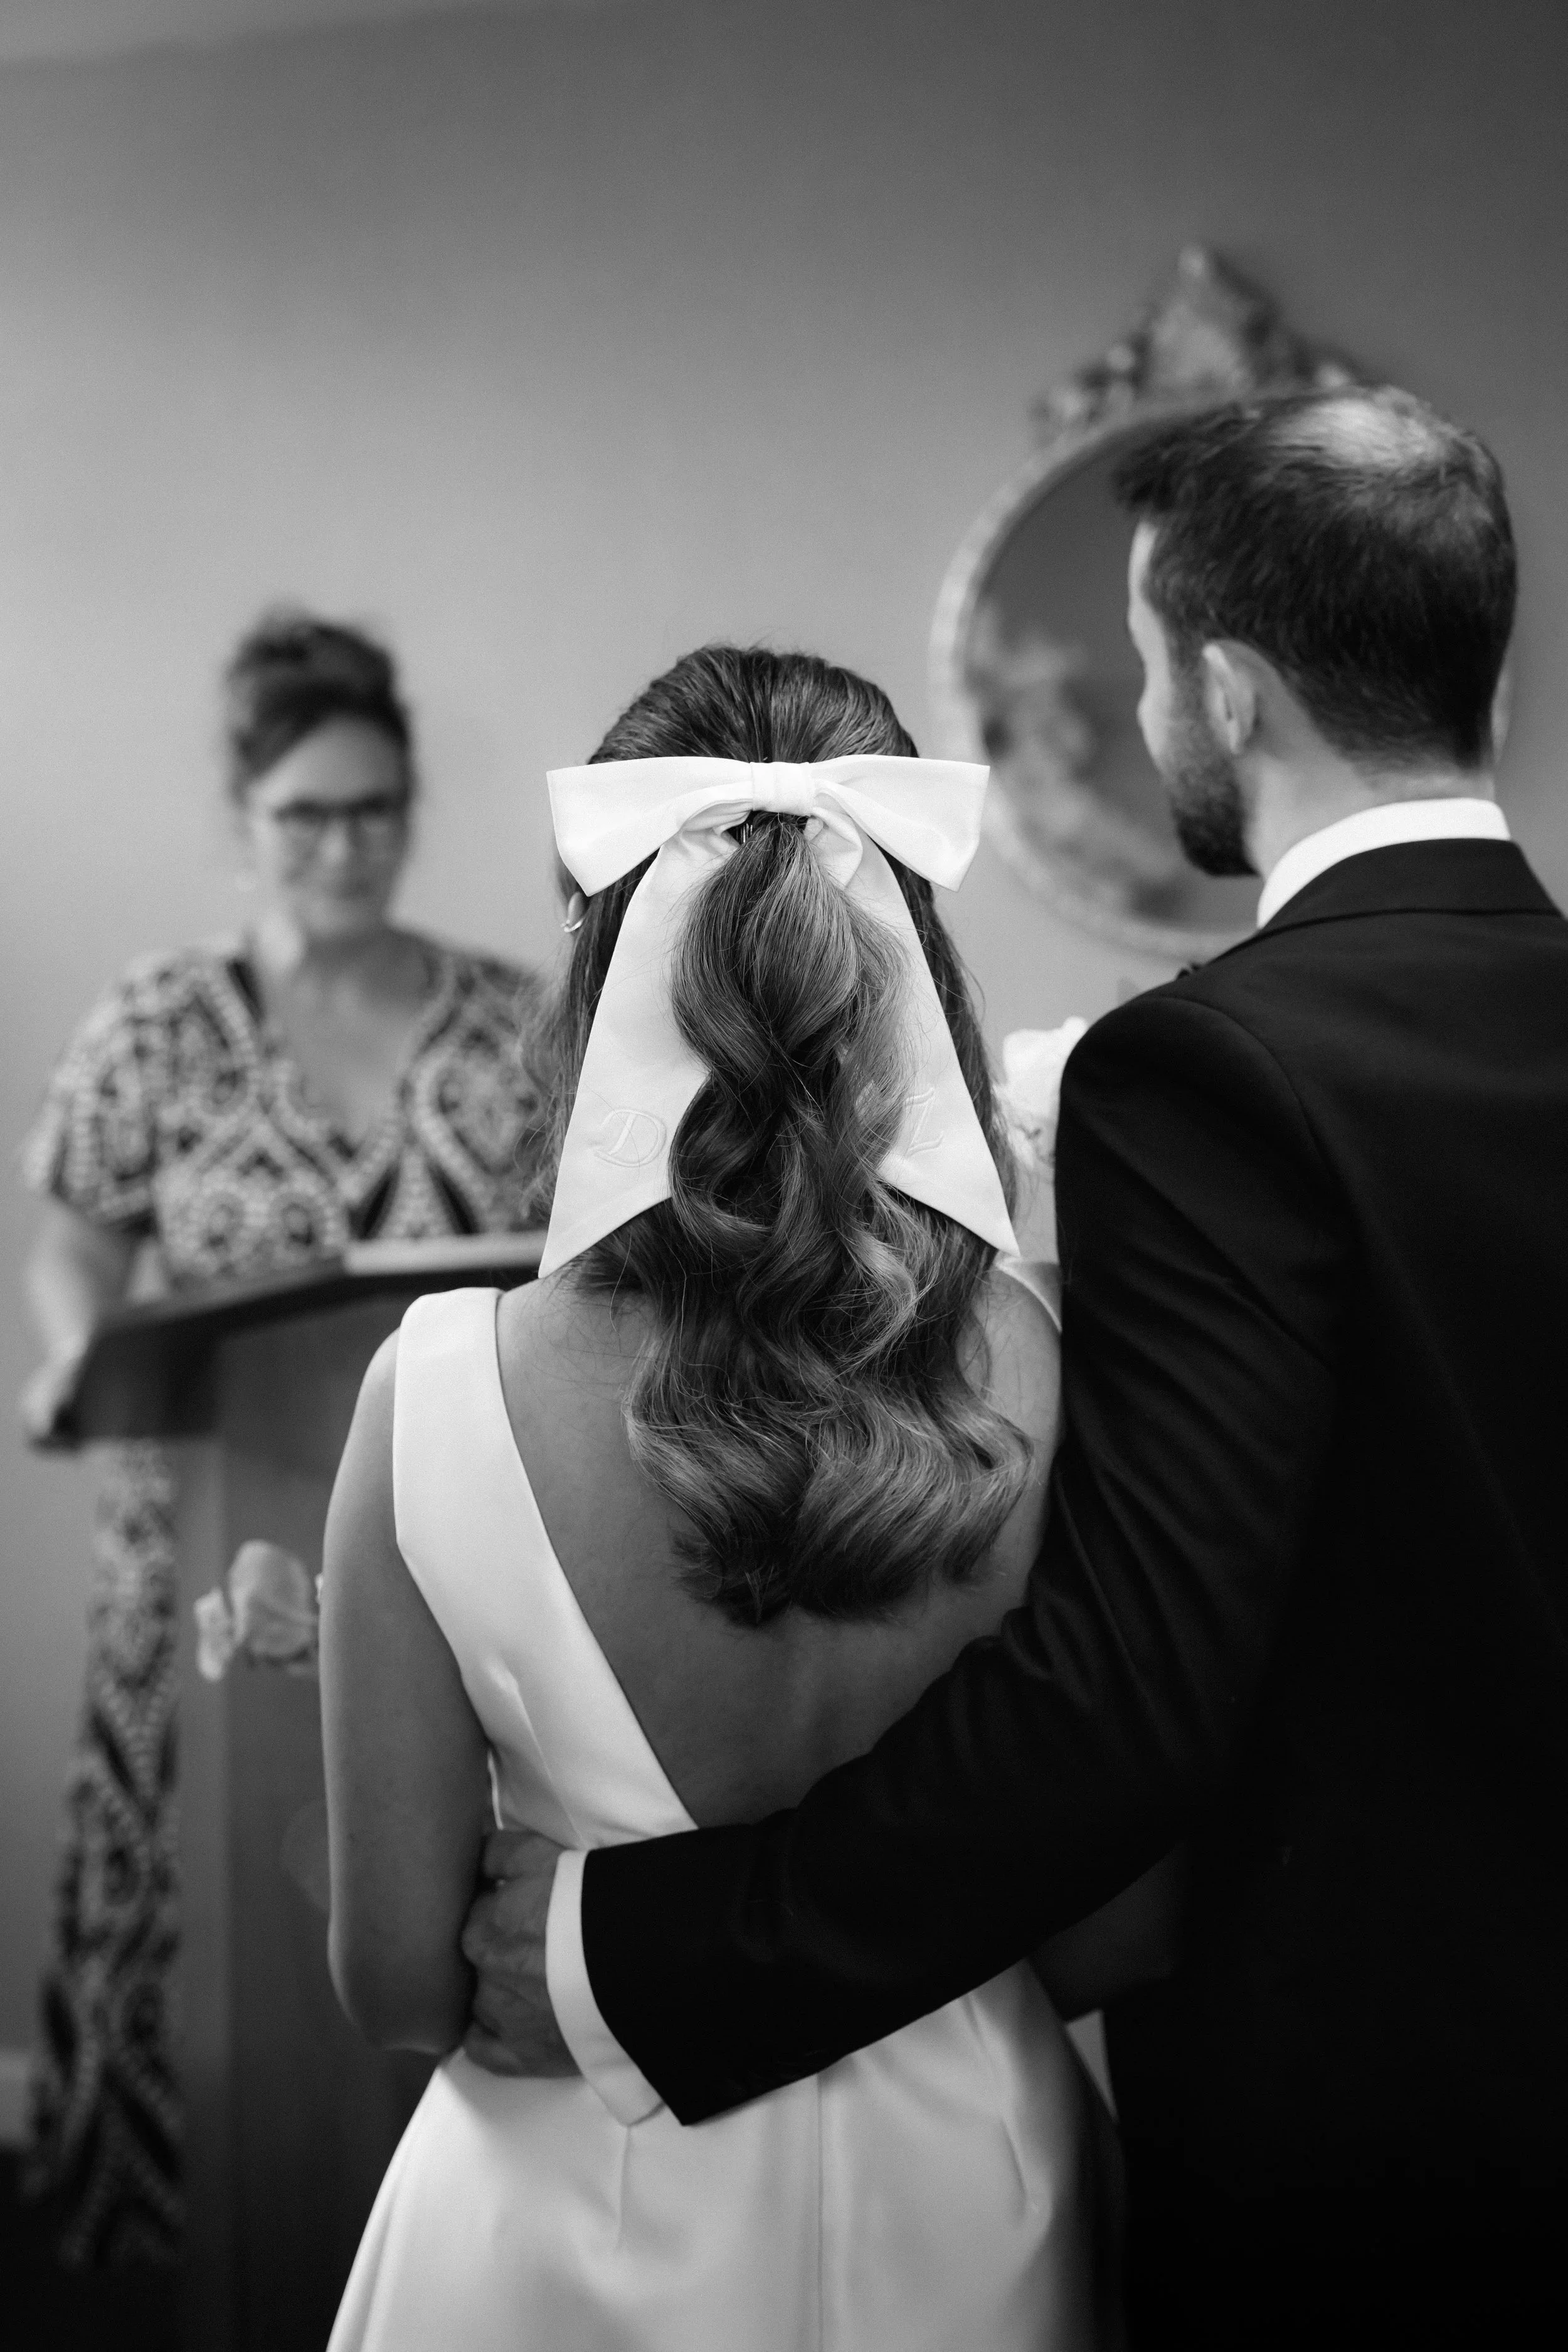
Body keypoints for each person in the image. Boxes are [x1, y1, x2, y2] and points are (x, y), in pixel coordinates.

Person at [459, 390, 1568, 2348]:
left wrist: (650, 1954)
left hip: (1371, 2123)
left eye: (1144, 665)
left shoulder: (1212, 1072)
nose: (1150, 718)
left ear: (1223, 692)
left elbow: (1132, 1687)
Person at [319, 645, 1144, 2351]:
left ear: (594, 952)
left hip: (554, 2225)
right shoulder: (1064, 1370)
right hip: (970, 2222)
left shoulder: (438, 1386)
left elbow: (398, 1980)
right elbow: (1116, 1926)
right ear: (907, 948)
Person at [19, 611, 547, 2266]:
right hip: (208, 1531)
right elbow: (78, 1233)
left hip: (444, 1547)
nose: (345, 843)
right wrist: (69, 1355)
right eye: (306, 813)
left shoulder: (514, 1023)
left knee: (417, 1885)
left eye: (375, 807)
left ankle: (441, 2243)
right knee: (205, 1902)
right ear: (242, 820)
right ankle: (184, 2250)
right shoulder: (164, 1018)